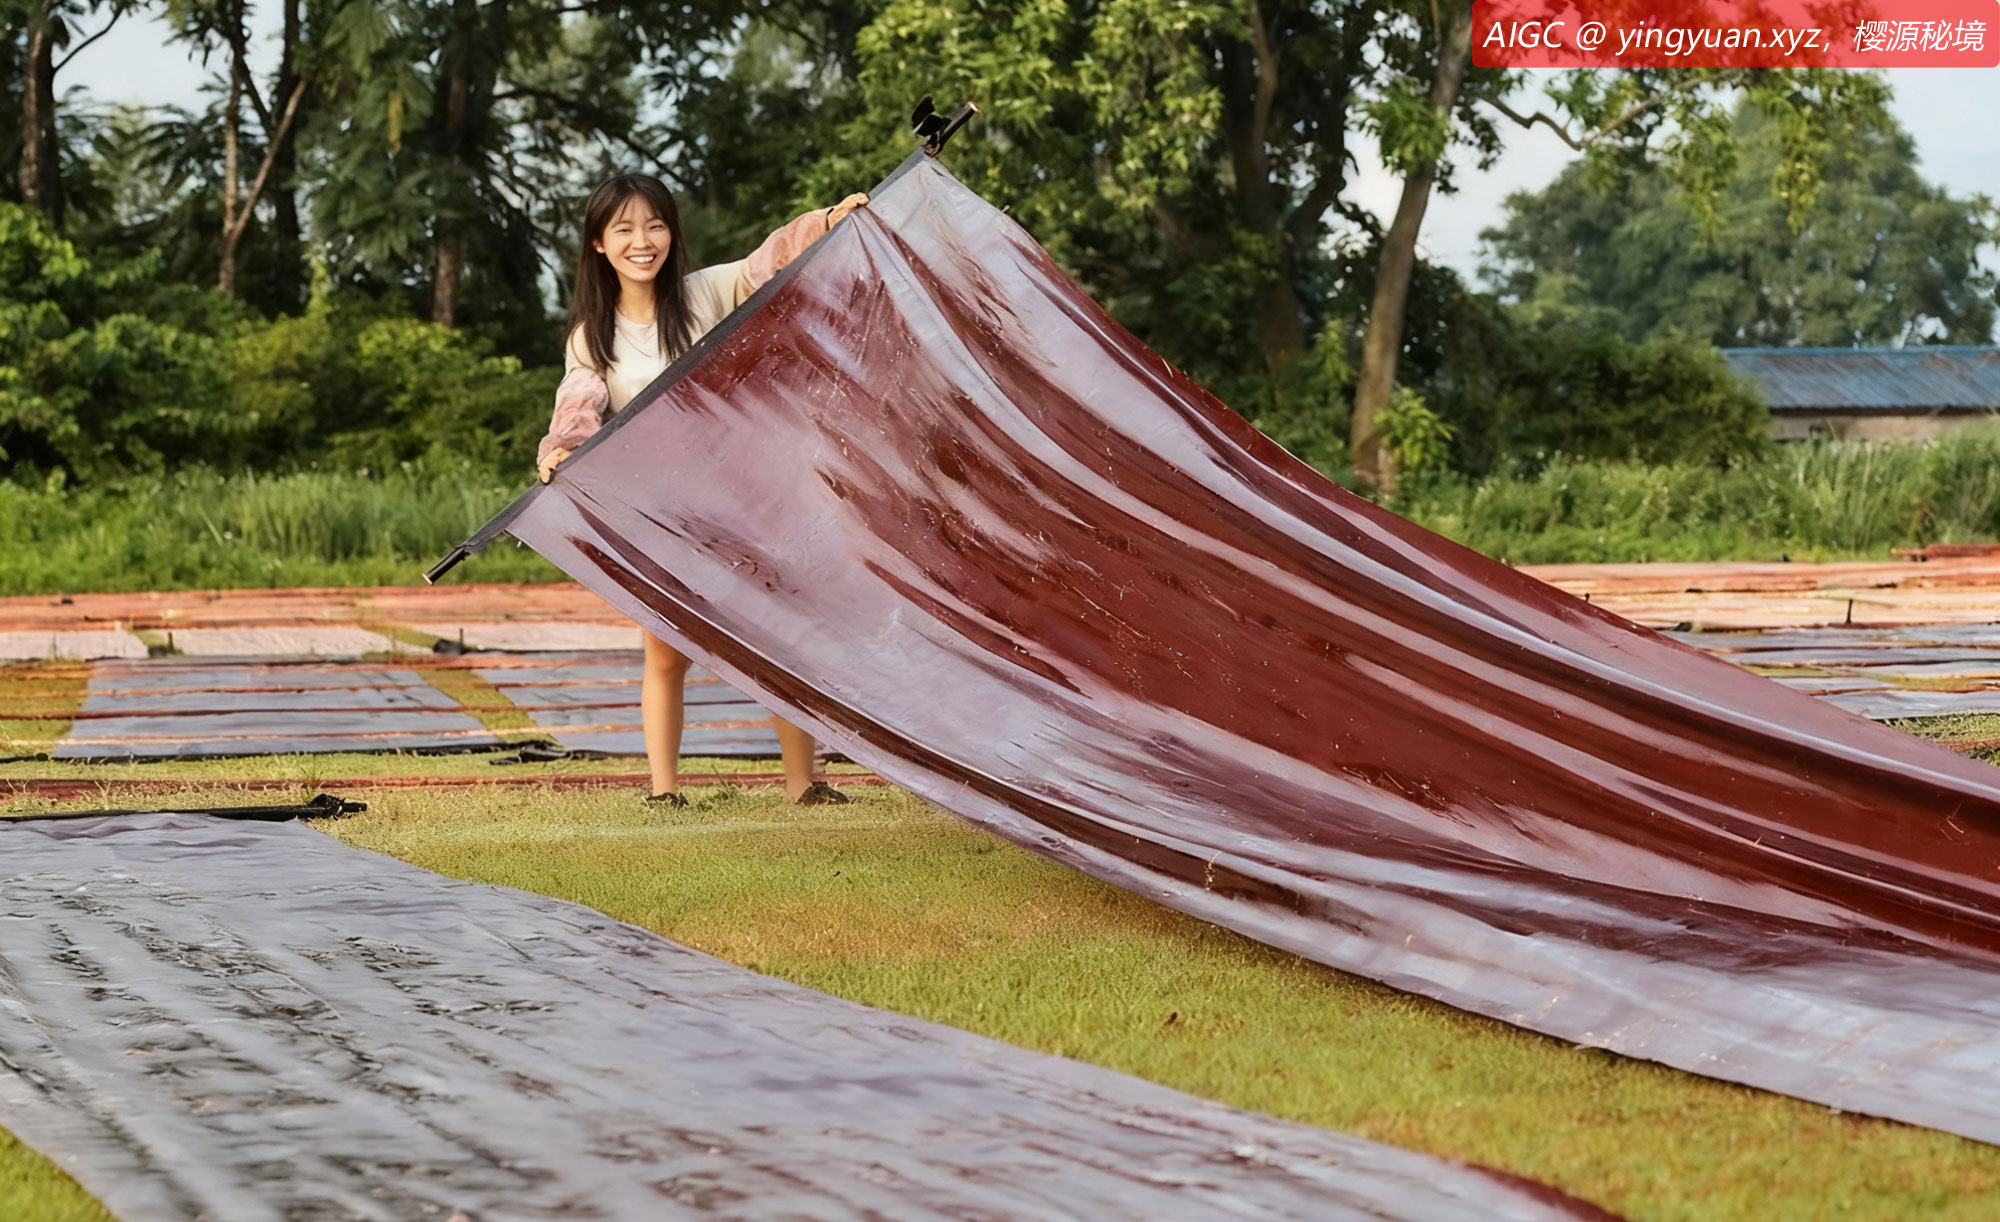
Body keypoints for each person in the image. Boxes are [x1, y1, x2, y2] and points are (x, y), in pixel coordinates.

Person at [537, 173, 865, 808]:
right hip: (661, 514)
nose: (643, 242)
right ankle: (664, 792)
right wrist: (560, 450)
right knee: (666, 655)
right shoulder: (590, 336)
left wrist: (825, 220)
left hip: (743, 499)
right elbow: (579, 406)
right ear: (599, 244)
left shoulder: (705, 292)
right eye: (625, 230)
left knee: (778, 639)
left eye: (655, 225)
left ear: (672, 233)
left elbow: (770, 260)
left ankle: (804, 784)